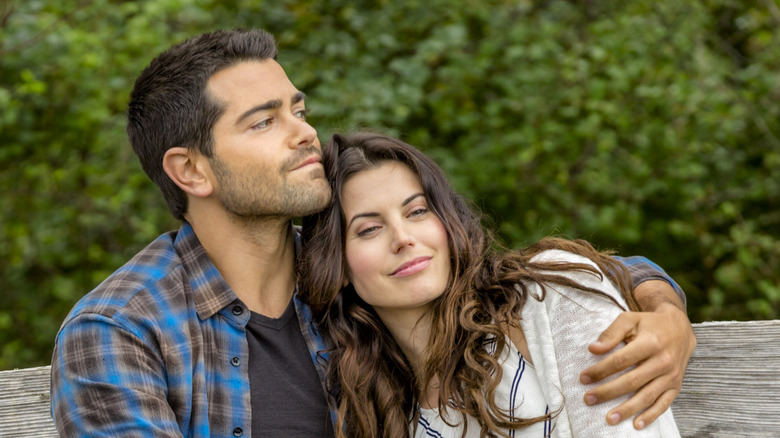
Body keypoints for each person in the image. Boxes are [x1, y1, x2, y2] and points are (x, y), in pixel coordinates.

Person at [49, 29, 693, 437]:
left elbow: (510, 275)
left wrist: (663, 305)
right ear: (191, 170)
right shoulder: (120, 331)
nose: (303, 132)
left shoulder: (346, 286)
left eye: (297, 108)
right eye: (263, 121)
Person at [299, 132, 682, 437]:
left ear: (447, 222)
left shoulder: (551, 299)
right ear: (338, 264)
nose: (403, 238)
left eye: (417, 211)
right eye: (369, 229)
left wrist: (665, 306)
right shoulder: (378, 406)